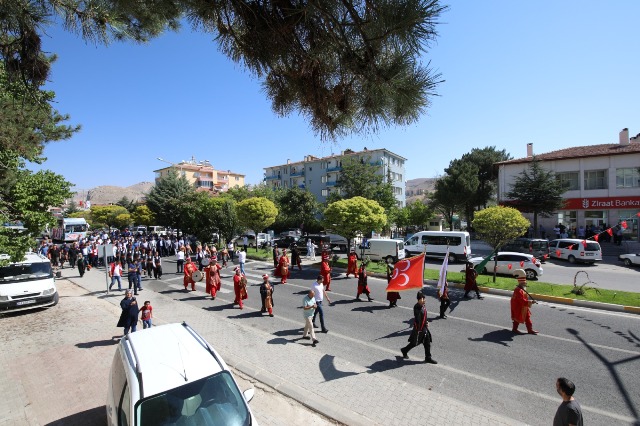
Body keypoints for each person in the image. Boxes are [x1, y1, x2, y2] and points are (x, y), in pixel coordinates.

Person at [401, 291, 437, 364]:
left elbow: (424, 316)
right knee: (414, 343)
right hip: (419, 329)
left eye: (424, 298)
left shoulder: (423, 306)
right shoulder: (417, 307)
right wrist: (420, 329)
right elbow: (417, 317)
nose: (424, 300)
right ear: (419, 300)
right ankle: (404, 350)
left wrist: (426, 322)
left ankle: (428, 357)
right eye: (423, 299)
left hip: (424, 328)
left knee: (427, 342)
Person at [511, 270, 538, 334]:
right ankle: (514, 329)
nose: (525, 284)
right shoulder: (518, 290)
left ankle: (530, 330)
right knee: (517, 317)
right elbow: (521, 300)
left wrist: (529, 302)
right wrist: (531, 302)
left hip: (524, 305)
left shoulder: (522, 289)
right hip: (518, 306)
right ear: (521, 283)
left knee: (527, 317)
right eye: (524, 283)